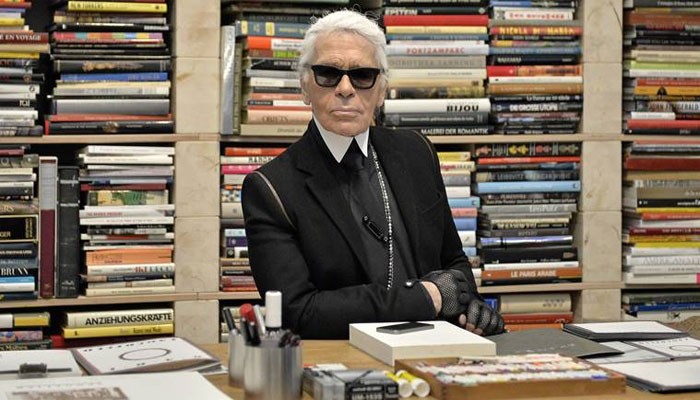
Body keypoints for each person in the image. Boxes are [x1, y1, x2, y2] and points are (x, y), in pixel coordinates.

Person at [242, 9, 504, 339]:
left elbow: (452, 262)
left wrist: (470, 306)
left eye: (363, 75)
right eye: (328, 74)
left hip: (436, 347)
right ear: (305, 87)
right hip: (345, 356)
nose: (345, 89)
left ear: (381, 90)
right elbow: (298, 312)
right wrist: (426, 298)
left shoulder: (416, 152)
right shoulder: (270, 188)